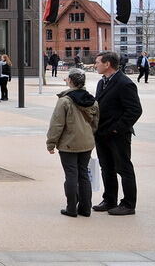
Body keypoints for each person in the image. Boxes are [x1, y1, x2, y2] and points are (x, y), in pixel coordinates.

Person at [92, 51, 142, 216]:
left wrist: (116, 128)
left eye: (98, 62)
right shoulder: (102, 82)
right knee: (106, 168)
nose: (95, 65)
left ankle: (128, 204)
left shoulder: (124, 83)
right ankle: (109, 200)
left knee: (124, 168)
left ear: (107, 64)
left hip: (117, 135)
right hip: (101, 133)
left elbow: (135, 110)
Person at [47, 68, 100, 217]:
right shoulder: (92, 100)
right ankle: (85, 208)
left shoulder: (65, 101)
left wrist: (51, 143)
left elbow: (57, 124)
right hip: (87, 143)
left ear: (70, 81)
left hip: (69, 144)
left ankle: (71, 208)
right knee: (83, 174)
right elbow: (95, 123)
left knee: (71, 175)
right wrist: (90, 136)